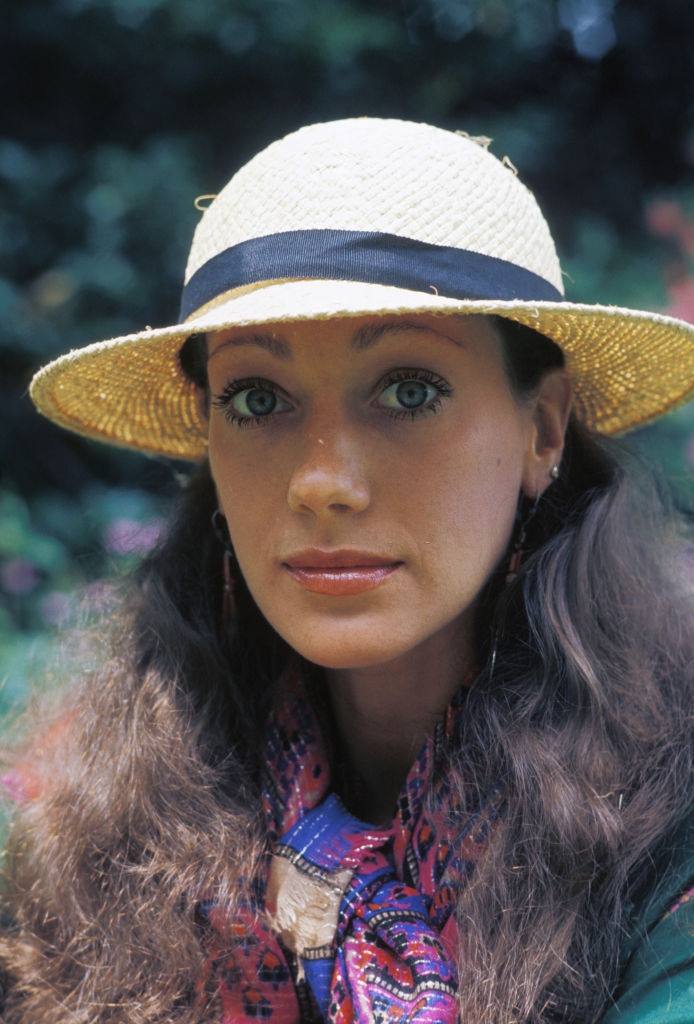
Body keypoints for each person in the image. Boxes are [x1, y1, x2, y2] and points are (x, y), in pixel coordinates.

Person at [1, 117, 693, 1023]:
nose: (323, 482)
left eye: (409, 390)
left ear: (544, 429)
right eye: (256, 398)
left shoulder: (665, 846)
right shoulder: (99, 844)